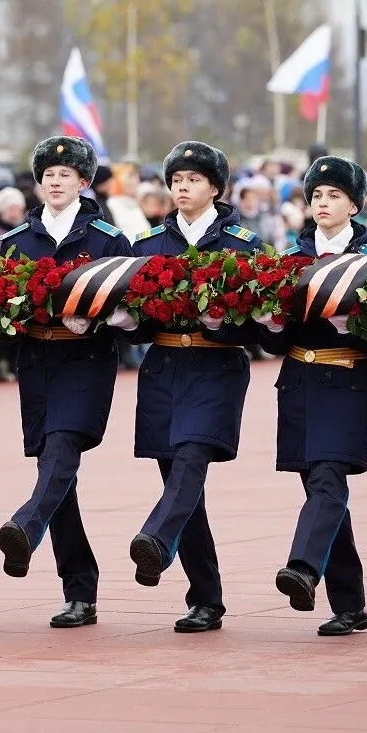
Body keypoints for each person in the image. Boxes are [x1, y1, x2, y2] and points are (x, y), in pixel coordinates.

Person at [109, 141, 263, 633]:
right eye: (176, 180)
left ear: (215, 188)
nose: (182, 187)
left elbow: (261, 323)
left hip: (216, 368)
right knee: (179, 481)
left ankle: (156, 539)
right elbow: (137, 323)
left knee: (192, 460)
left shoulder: (242, 246)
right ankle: (206, 598)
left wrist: (225, 323)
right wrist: (124, 321)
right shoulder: (148, 245)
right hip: (165, 368)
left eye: (194, 180)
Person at [0, 136, 132, 629]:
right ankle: (80, 591)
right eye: (48, 175)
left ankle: (26, 526)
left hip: (86, 360)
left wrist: (100, 317)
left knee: (61, 449)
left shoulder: (107, 240)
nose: (55, 182)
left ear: (83, 182)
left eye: (65, 175)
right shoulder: (15, 242)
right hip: (37, 362)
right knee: (57, 475)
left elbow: (129, 305)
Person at [262, 157, 367, 636]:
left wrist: (359, 326)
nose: (323, 203)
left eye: (334, 195)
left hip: (350, 379)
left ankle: (303, 567)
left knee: (329, 478)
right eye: (316, 195)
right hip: (299, 380)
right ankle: (351, 606)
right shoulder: (290, 261)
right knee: (321, 488)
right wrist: (271, 324)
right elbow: (273, 343)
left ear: (354, 205)